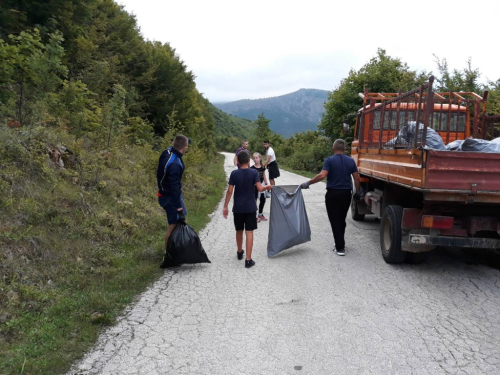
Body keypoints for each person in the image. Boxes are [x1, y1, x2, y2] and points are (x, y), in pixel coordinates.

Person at [299, 139, 360, 256]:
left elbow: (322, 175)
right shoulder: (351, 161)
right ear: (345, 149)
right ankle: (340, 242)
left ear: (333, 148)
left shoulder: (329, 160)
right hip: (346, 194)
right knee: (341, 219)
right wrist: (358, 192)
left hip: (333, 194)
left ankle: (340, 248)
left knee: (335, 220)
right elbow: (357, 178)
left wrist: (308, 183)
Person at [223, 151, 272, 268]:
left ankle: (240, 252)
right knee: (249, 232)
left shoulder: (234, 174)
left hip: (238, 208)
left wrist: (225, 206)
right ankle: (248, 260)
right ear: (249, 161)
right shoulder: (254, 172)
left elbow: (229, 191)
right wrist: (268, 186)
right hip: (250, 207)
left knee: (239, 230)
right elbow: (260, 189)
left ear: (238, 162)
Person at [157, 135, 190, 268]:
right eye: (187, 145)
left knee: (181, 223)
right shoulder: (175, 164)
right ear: (184, 148)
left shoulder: (167, 151)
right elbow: (175, 188)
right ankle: (168, 257)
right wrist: (179, 209)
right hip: (170, 197)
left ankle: (177, 252)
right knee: (174, 225)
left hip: (164, 193)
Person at [250, 152, 269, 222]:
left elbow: (264, 175)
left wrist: (266, 183)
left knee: (263, 199)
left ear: (260, 158)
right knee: (254, 200)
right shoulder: (251, 168)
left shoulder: (263, 167)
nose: (255, 159)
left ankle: (260, 214)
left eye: (256, 158)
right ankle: (253, 216)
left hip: (262, 185)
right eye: (254, 158)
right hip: (254, 186)